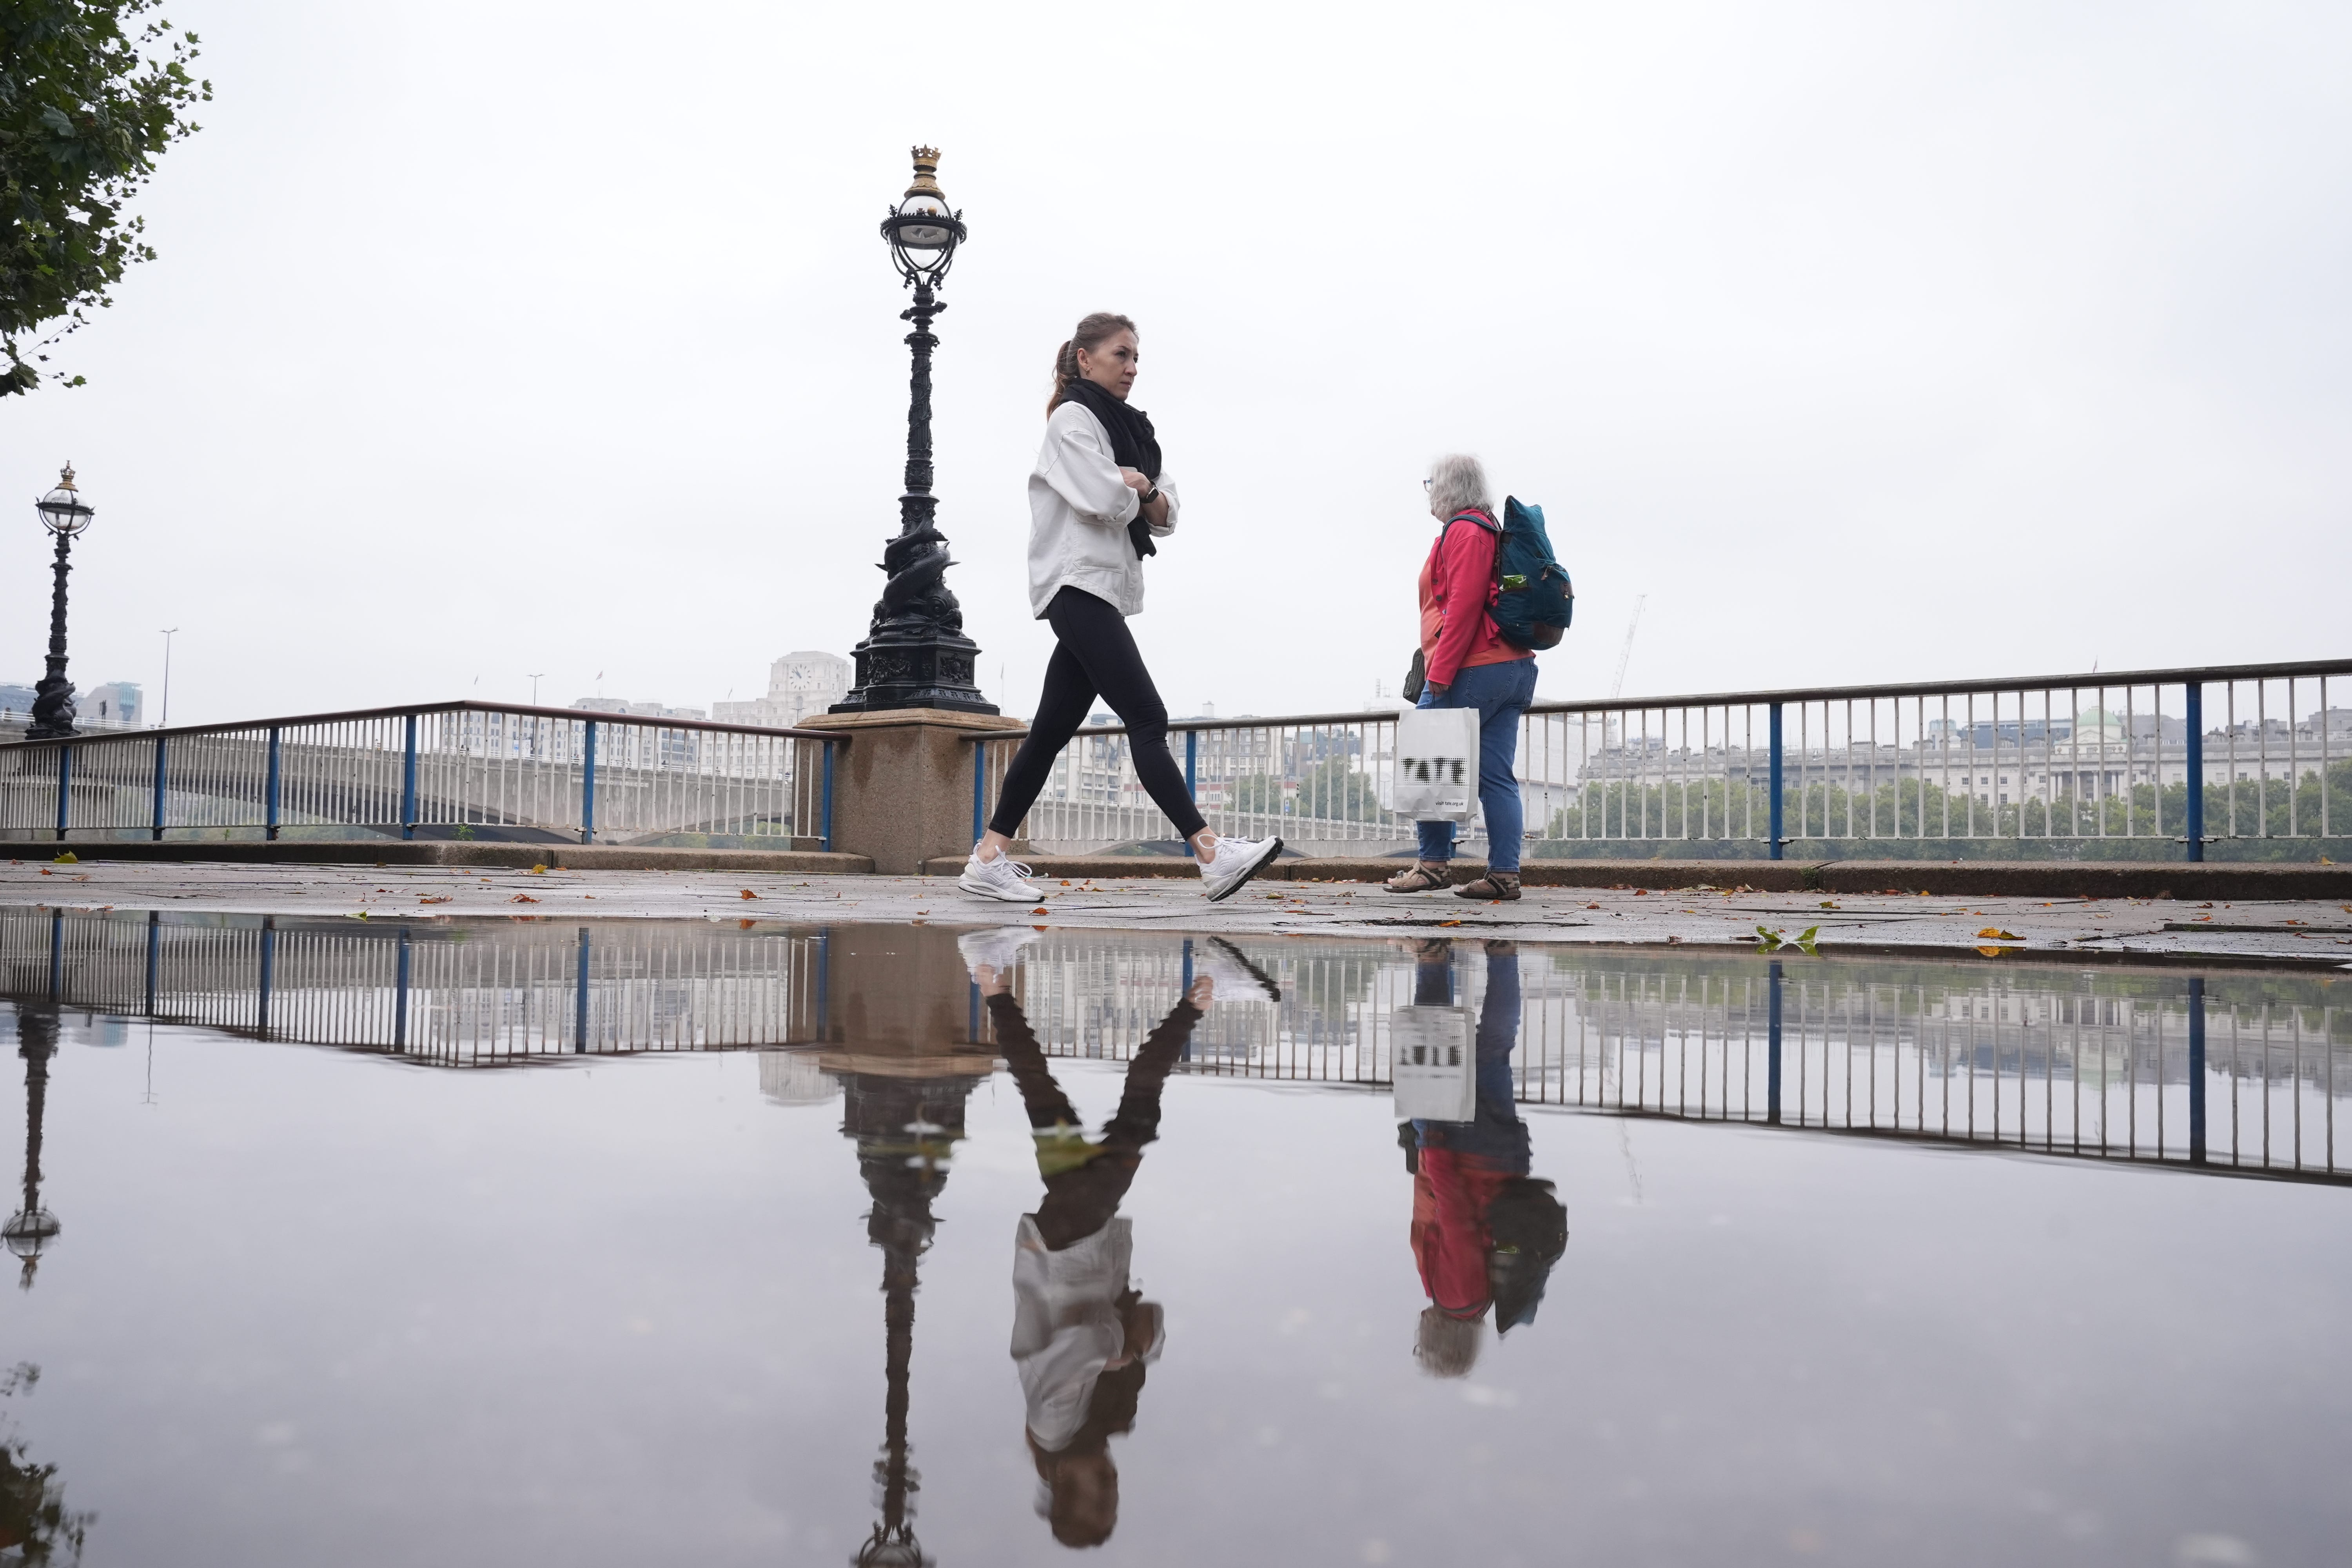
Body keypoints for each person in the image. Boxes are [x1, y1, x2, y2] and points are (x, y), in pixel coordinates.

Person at [960, 311, 1282, 905]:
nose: (1132, 368)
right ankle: (1210, 851)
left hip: (1104, 588)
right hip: (1076, 584)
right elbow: (1102, 500)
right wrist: (1131, 487)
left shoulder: (1131, 430)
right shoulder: (1072, 420)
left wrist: (1141, 485)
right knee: (1146, 716)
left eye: (1137, 358)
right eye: (1120, 355)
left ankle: (988, 858)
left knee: (1051, 731)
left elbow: (1167, 515)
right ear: (1085, 359)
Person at [961, 934, 1234, 1550]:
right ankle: (994, 987)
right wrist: (1129, 1345)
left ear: (1061, 1483)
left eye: (1096, 1491)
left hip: (1066, 1244)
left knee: (1132, 1120)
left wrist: (1127, 1349)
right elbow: (1152, 1320)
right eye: (1114, 1493)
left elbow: (1096, 1335)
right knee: (1046, 1101)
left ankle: (1198, 1000)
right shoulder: (1111, 1421)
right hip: (1081, 1231)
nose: (1110, 1481)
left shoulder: (1053, 1424)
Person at [1396, 939, 1568, 1379]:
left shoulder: (1481, 1298)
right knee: (1432, 1038)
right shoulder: (1456, 1296)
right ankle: (1433, 960)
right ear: (1436, 1337)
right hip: (1461, 1154)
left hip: (1501, 1160)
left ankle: (1504, 958)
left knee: (1493, 1050)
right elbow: (1455, 1221)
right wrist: (1432, 1151)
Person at [1388, 454, 1538, 901]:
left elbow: (1464, 607)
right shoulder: (1488, 528)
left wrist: (1440, 673)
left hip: (1473, 669)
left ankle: (1432, 865)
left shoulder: (1466, 531)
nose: (1429, 491)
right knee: (1495, 775)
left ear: (1448, 487)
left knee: (1429, 761)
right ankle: (1504, 875)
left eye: (1431, 483)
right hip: (1511, 669)